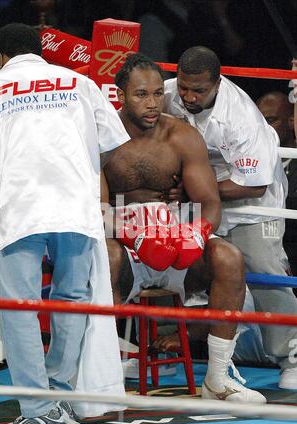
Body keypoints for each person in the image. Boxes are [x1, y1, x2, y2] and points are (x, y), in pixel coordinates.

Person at [103, 52, 266, 404]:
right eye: (141, 94)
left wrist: (196, 233)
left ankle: (219, 378)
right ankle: (104, 377)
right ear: (121, 95)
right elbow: (94, 207)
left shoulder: (181, 135)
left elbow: (209, 202)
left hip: (176, 243)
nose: (151, 103)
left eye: (158, 94)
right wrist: (134, 232)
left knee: (228, 257)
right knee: (104, 257)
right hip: (125, 247)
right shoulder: (104, 137)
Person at [0, 23, 131, 424]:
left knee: (19, 307)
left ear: (1, 57)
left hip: (17, 206)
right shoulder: (79, 82)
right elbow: (112, 142)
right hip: (74, 204)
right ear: (39, 51)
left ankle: (37, 411)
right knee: (71, 299)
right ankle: (58, 400)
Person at [164, 45, 297, 389]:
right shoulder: (165, 95)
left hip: (250, 206)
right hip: (197, 199)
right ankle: (166, 349)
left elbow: (251, 186)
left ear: (217, 83)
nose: (189, 96)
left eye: (199, 90)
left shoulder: (241, 118)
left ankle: (292, 357)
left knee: (266, 275)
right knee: (178, 267)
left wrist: (194, 188)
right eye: (183, 86)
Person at [257, 91, 297, 278]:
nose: (264, 129)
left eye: (271, 121)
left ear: (291, 121)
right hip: (265, 251)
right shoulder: (254, 163)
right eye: (260, 122)